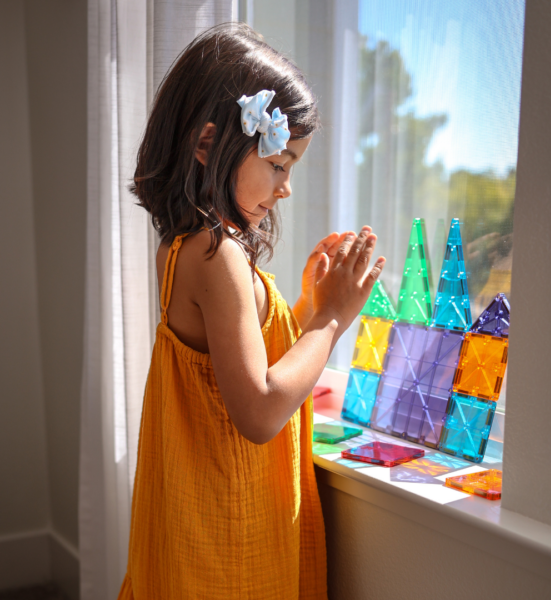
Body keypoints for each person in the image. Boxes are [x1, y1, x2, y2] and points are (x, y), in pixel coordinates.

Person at [117, 23, 385, 600]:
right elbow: (259, 411)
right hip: (228, 531)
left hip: (193, 517)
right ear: (209, 145)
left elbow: (225, 369)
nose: (285, 188)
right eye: (280, 163)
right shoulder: (218, 257)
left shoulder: (184, 246)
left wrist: (306, 305)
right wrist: (331, 320)